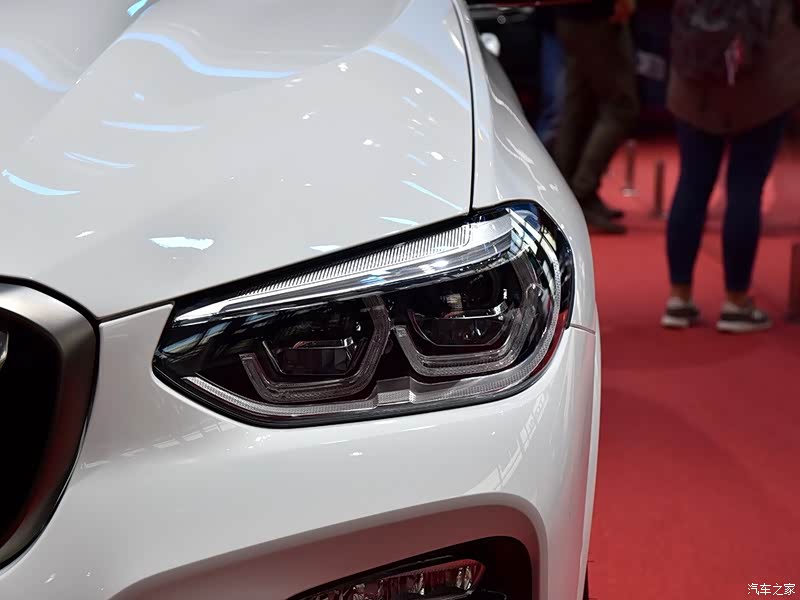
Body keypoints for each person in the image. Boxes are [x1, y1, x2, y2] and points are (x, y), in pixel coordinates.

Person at [661, 0, 800, 333]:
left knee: (692, 183)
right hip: (762, 87)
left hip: (695, 85)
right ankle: (736, 302)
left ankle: (679, 299)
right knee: (745, 188)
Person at [554, 0, 640, 235]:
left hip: (570, 14)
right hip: (598, 16)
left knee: (579, 106)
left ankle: (566, 195)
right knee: (620, 108)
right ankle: (581, 192)